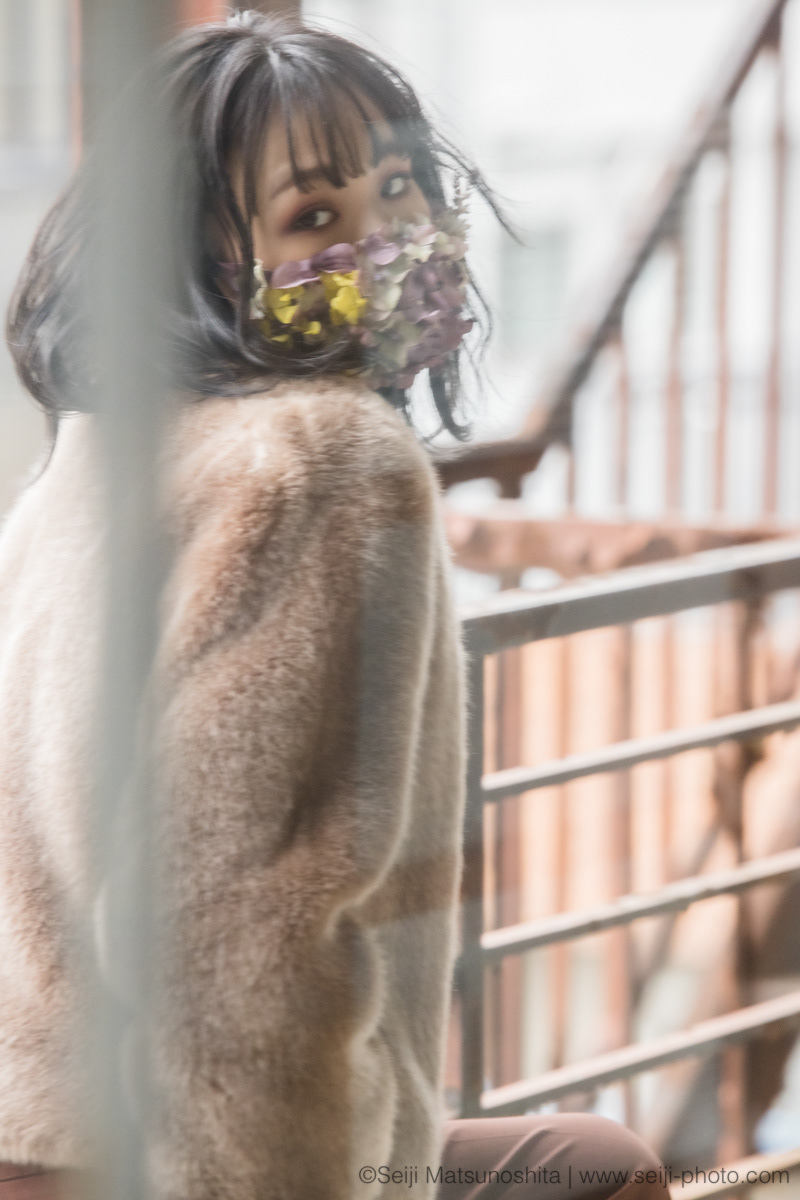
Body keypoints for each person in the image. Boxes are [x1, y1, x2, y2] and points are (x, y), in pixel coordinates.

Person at [0, 13, 671, 1200]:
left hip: (37, 1119)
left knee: (591, 1164)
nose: (385, 242)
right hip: (164, 1157)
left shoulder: (89, 466)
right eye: (314, 216)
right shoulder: (323, 461)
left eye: (398, 191)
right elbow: (229, 939)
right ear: (202, 260)